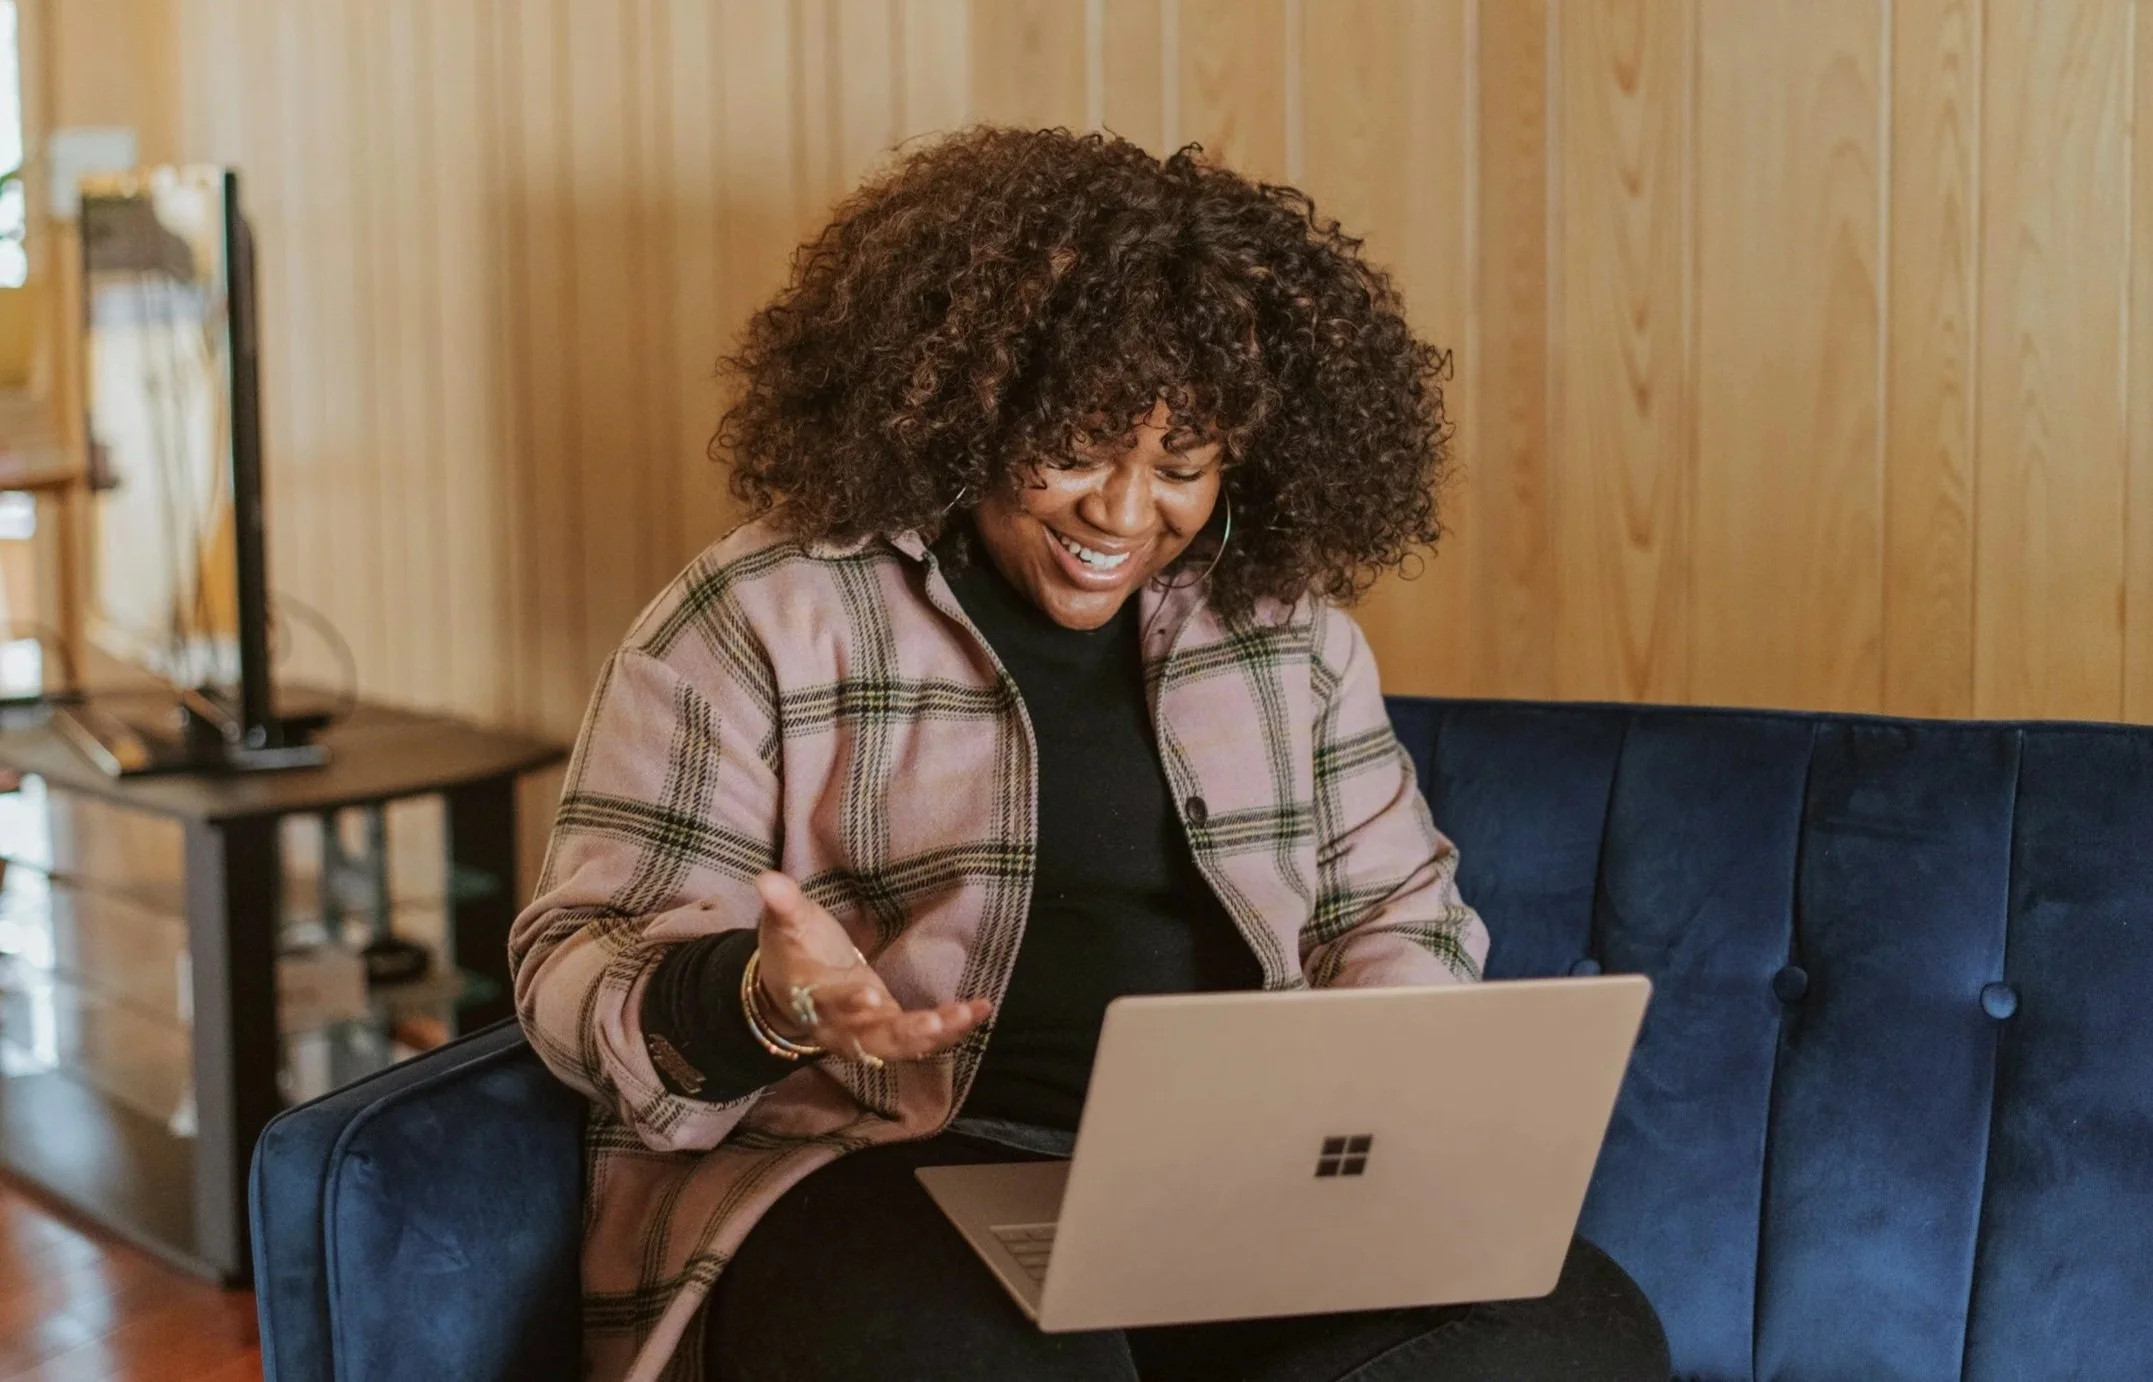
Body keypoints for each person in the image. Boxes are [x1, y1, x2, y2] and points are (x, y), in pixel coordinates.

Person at [511, 125, 1669, 1382]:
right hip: (873, 1169)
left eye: (1180, 464)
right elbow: (574, 960)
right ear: (969, 408)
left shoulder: (1289, 635)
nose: (1121, 512)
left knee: (1573, 1331)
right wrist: (758, 996)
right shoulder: (763, 613)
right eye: (1071, 449)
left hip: (1224, 1187)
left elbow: (1395, 913)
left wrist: (1365, 1099)